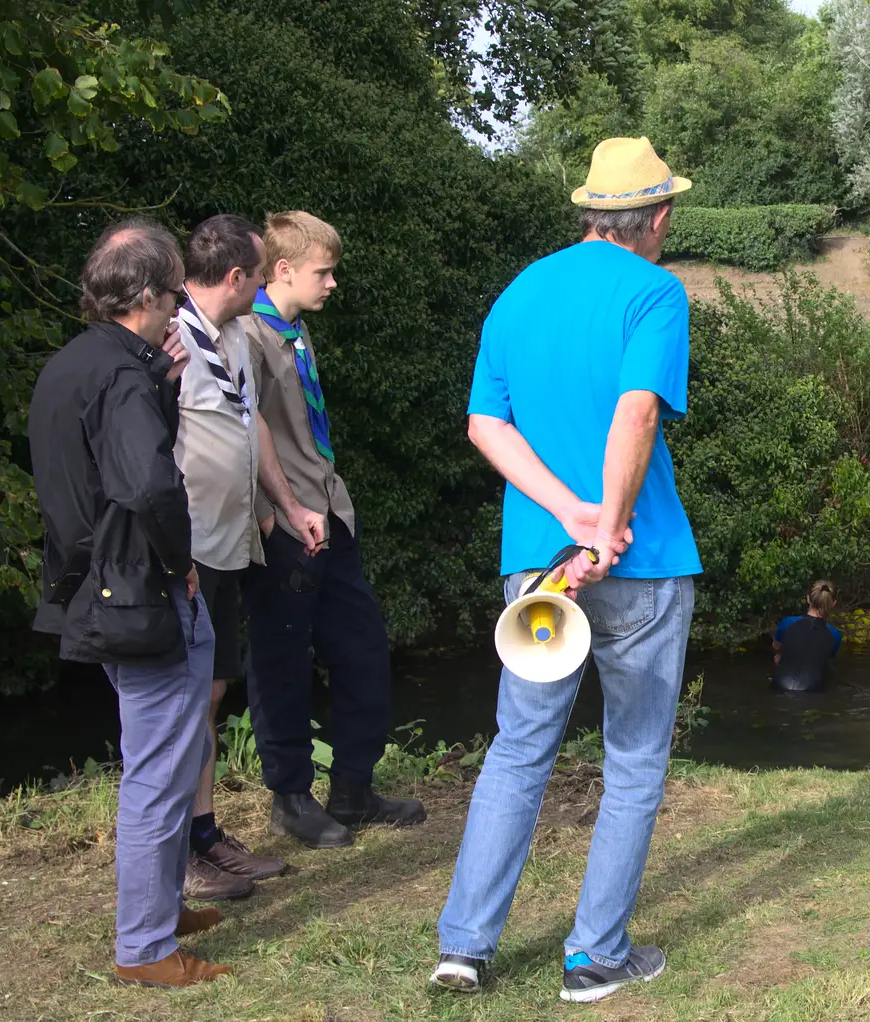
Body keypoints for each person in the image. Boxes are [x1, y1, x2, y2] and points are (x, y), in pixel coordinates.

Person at [433, 136, 701, 1004]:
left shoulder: (518, 292)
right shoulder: (656, 292)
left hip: (539, 571)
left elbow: (486, 426)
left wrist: (569, 517)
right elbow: (636, 417)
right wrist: (607, 524)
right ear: (656, 217)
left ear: (592, 211)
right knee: (632, 759)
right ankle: (593, 958)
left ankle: (464, 948)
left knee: (518, 751)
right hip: (642, 563)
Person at [28, 218, 231, 987]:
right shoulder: (120, 375)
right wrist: (180, 560)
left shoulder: (76, 365)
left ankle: (163, 908)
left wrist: (162, 385)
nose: (182, 305)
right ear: (149, 294)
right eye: (177, 290)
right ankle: (145, 947)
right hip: (139, 592)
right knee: (157, 768)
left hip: (95, 585)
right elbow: (145, 484)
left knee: (172, 756)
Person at [241, 211, 424, 849]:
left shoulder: (292, 330)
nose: (332, 283)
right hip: (284, 526)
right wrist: (279, 514)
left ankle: (352, 788)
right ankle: (290, 797)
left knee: (363, 649)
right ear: (284, 270)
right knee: (282, 661)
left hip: (330, 514)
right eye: (324, 272)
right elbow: (242, 436)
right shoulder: (247, 336)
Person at [175, 214, 319, 899]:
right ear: (236, 277)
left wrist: (286, 509)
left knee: (213, 689)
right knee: (185, 698)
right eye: (259, 273)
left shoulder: (232, 337)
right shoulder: (169, 342)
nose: (265, 283)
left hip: (231, 544)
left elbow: (248, 421)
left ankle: (204, 833)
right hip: (186, 551)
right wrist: (175, 551)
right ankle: (181, 848)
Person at [771, 580, 843, 692]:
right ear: (833, 603)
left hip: (779, 686)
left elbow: (776, 647)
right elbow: (825, 659)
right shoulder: (835, 635)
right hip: (811, 690)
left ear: (808, 598)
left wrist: (780, 655)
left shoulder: (787, 622)